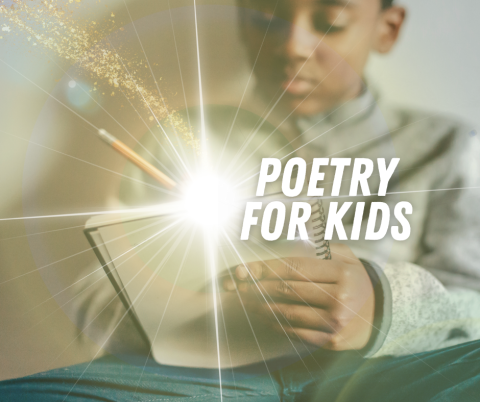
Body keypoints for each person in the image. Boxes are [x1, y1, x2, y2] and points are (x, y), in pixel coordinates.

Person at [2, 0, 480, 400]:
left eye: (329, 21)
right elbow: (95, 302)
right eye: (265, 14)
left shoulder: (451, 148)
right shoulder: (184, 141)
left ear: (387, 29)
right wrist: (201, 310)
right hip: (203, 375)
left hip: (385, 376)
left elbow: (472, 305)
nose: (292, 45)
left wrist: (383, 306)